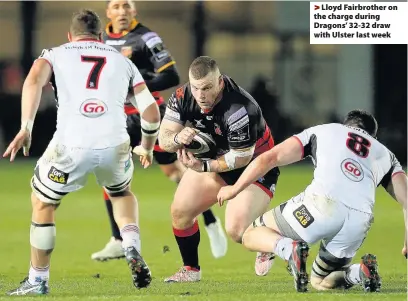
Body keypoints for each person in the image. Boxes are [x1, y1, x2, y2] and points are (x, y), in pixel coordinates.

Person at [3, 9, 159, 295]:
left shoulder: (54, 53)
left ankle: (37, 280)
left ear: (69, 36)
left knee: (43, 202)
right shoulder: (122, 62)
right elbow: (151, 111)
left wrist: (26, 127)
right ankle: (131, 247)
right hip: (115, 144)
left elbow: (34, 80)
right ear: (101, 36)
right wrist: (147, 146)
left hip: (70, 146)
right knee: (121, 193)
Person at [91, 0, 227, 262]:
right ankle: (117, 239)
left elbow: (171, 75)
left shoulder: (146, 38)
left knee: (175, 171)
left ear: (134, 11)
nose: (122, 11)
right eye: (116, 6)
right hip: (116, 120)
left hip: (149, 117)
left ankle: (210, 221)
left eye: (127, 6)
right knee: (110, 174)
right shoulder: (100, 40)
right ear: (108, 12)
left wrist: (137, 81)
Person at [217, 109, 407, 292]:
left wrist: (235, 188)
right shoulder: (386, 154)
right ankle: (360, 273)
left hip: (323, 205)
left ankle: (287, 248)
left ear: (346, 125)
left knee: (251, 233)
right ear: (373, 136)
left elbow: (270, 158)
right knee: (321, 280)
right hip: (359, 221)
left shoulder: (325, 130)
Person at [158, 56, 280, 282]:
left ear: (220, 82)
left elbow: (240, 159)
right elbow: (164, 137)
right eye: (196, 88)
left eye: (207, 88)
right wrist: (176, 137)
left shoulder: (239, 108)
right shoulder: (183, 96)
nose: (201, 95)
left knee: (236, 231)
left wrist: (203, 166)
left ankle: (269, 238)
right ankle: (191, 270)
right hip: (216, 162)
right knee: (180, 212)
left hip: (255, 168)